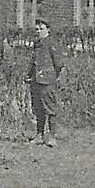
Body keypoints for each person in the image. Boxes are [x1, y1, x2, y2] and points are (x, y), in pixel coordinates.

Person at [25, 17, 62, 146]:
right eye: (37, 29)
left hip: (47, 82)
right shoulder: (36, 44)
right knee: (38, 109)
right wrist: (29, 75)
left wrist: (51, 76)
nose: (38, 31)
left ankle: (52, 137)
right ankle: (39, 135)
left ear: (48, 30)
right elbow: (33, 62)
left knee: (50, 109)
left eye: (41, 29)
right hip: (35, 81)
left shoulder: (51, 43)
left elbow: (58, 63)